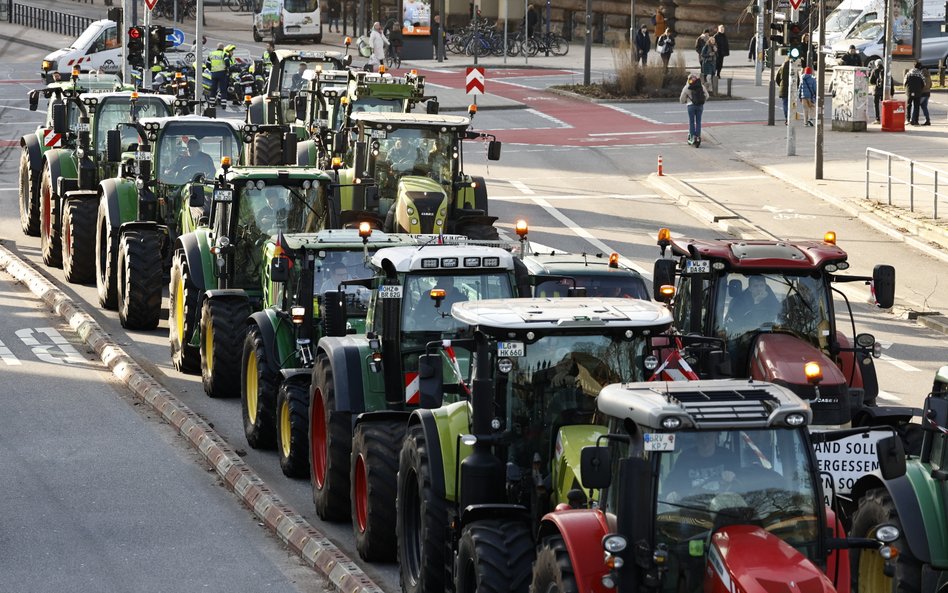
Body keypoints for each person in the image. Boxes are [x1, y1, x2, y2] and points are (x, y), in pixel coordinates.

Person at [663, 431, 738, 504]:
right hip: (693, 507)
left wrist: (733, 476)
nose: (705, 441)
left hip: (722, 506)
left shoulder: (727, 457)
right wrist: (670, 493)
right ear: (696, 437)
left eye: (708, 436)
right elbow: (671, 481)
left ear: (715, 435)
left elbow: (744, 481)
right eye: (701, 437)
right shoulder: (685, 458)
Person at [680, 73, 708, 148]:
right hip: (700, 106)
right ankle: (698, 137)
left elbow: (682, 99)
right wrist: (702, 100)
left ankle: (692, 137)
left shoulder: (687, 87)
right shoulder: (701, 86)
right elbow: (707, 95)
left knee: (691, 122)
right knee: (698, 122)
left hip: (690, 106)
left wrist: (684, 101)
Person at [904, 61, 925, 125]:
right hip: (918, 92)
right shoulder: (920, 74)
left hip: (909, 91)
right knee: (916, 106)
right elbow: (924, 84)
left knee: (908, 105)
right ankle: (916, 120)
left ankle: (908, 119)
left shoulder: (908, 73)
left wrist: (906, 88)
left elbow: (904, 82)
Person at [775, 56, 791, 123]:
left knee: (785, 104)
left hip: (783, 89)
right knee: (791, 104)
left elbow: (777, 79)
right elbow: (797, 80)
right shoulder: (794, 68)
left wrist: (780, 85)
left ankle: (787, 118)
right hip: (791, 89)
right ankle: (791, 117)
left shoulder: (781, 68)